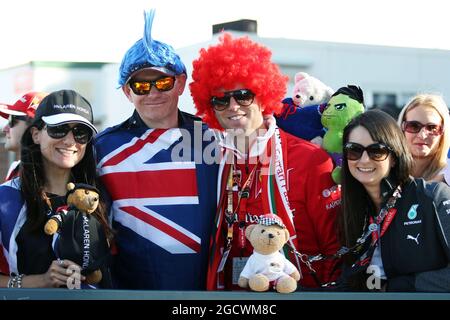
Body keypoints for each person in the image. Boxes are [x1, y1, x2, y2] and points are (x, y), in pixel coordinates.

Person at [189, 33, 342, 290]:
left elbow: (335, 248)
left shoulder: (311, 160)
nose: (233, 106)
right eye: (221, 99)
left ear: (263, 95)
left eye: (243, 95)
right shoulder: (212, 162)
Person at [94, 9, 218, 290]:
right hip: (131, 293)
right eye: (140, 85)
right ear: (127, 92)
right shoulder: (102, 147)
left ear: (181, 83)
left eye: (162, 82)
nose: (152, 93)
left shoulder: (212, 138)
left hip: (208, 294)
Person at [0, 89, 111, 288]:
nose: (70, 141)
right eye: (58, 129)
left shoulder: (100, 198)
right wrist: (41, 281)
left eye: (80, 132)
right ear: (36, 134)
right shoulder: (6, 198)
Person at [339, 109, 450, 292]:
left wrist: (405, 286)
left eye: (376, 151)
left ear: (394, 157)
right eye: (354, 150)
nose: (364, 160)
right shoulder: (351, 209)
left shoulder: (433, 197)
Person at [397, 94, 450, 182]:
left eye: (432, 128)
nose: (422, 135)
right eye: (413, 126)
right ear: (402, 128)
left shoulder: (447, 178)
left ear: (443, 132)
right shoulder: (384, 172)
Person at [0, 92, 47, 181]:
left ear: (34, 127)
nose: (5, 129)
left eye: (11, 120)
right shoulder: (15, 168)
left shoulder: (50, 177)